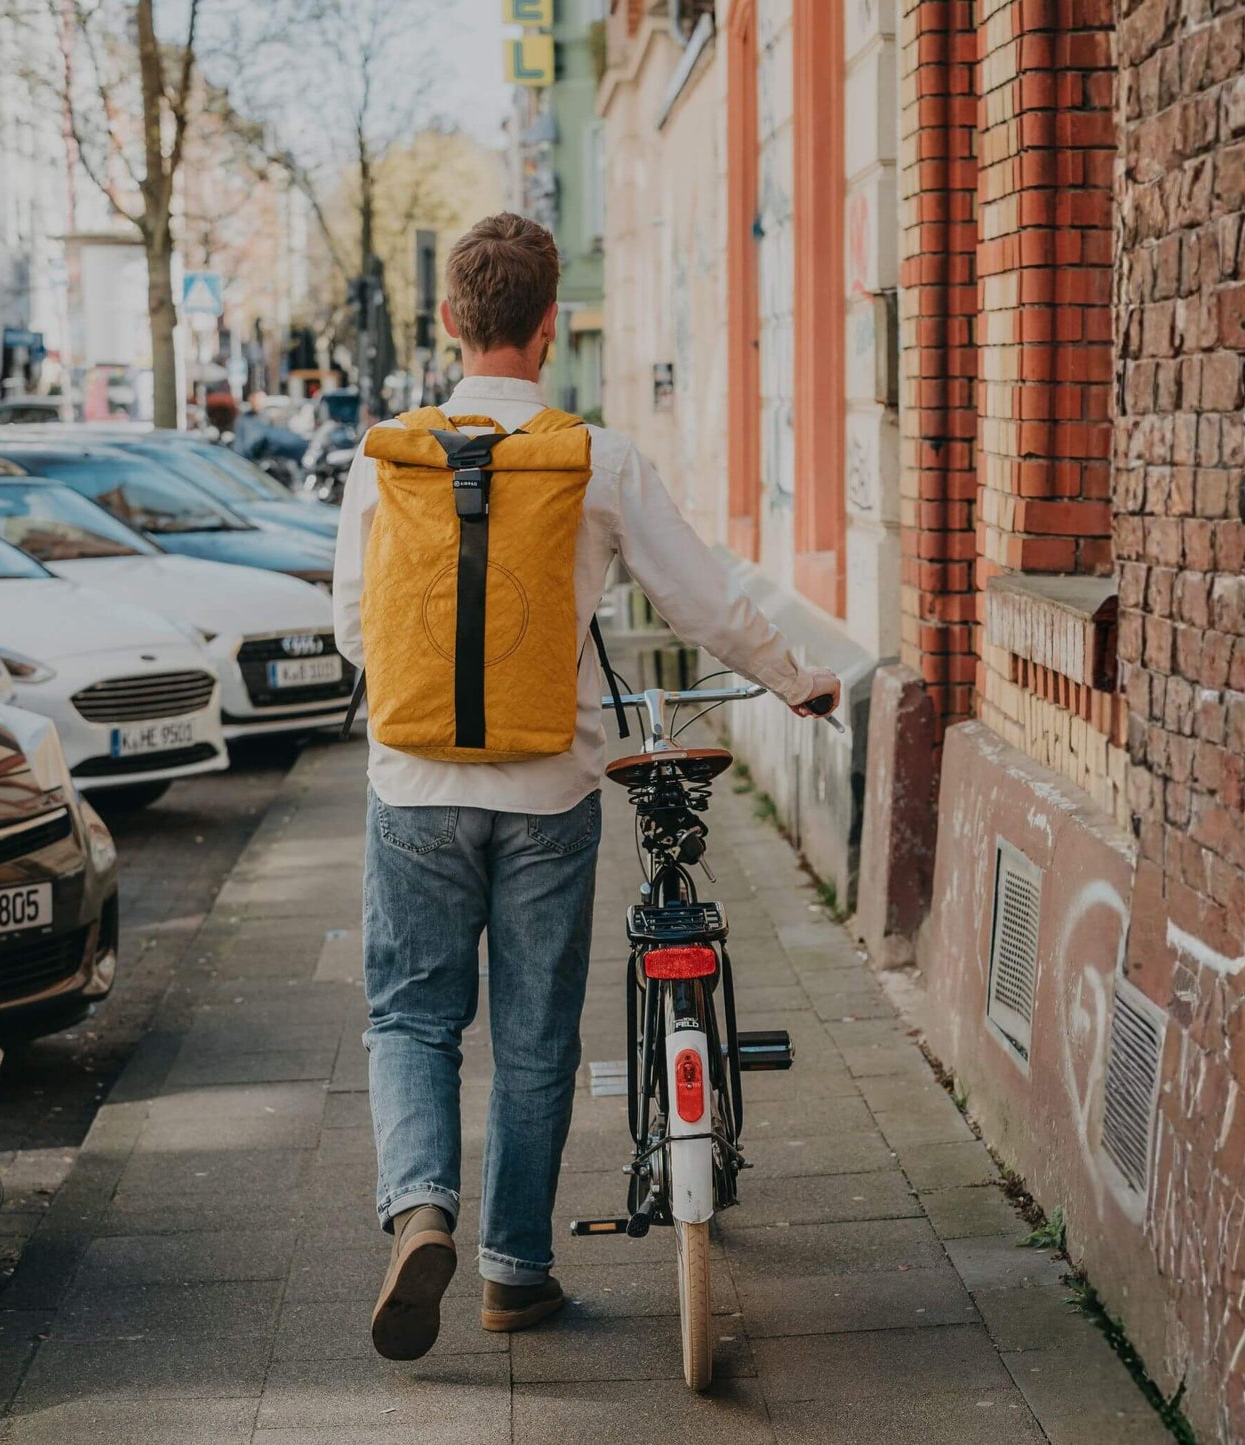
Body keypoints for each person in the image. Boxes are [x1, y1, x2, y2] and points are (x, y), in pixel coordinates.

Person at [332, 212, 840, 1362]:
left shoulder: (385, 455)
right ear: (548, 325)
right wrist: (794, 676)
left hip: (410, 786)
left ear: (451, 320)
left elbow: (355, 635)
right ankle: (515, 1270)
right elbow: (699, 603)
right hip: (548, 789)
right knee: (532, 1034)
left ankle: (419, 1205)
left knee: (409, 1016)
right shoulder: (596, 457)